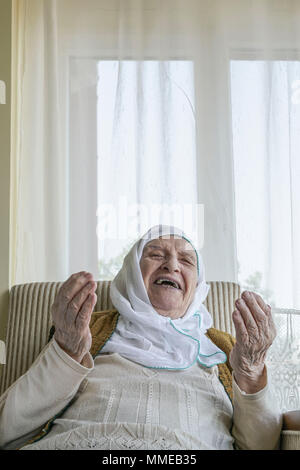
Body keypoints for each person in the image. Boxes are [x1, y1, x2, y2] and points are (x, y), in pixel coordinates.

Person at [0, 225, 282, 450]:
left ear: (198, 285)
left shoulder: (227, 349)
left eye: (186, 260)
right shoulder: (85, 329)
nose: (172, 265)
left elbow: (261, 445)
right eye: (156, 254)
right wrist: (66, 351)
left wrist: (251, 369)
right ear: (132, 270)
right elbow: (7, 428)